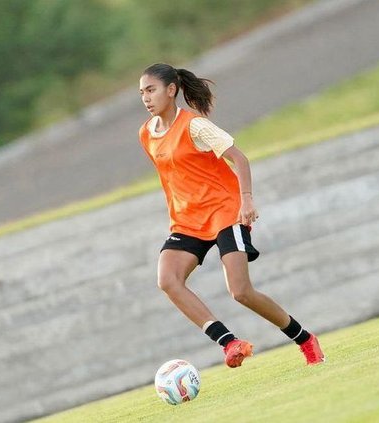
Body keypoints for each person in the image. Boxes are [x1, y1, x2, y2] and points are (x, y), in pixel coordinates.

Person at [138, 63, 325, 368]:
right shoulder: (146, 133)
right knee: (168, 280)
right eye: (142, 92)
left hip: (225, 211)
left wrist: (247, 200)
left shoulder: (194, 125)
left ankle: (304, 338)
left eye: (151, 90)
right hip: (188, 221)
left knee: (241, 292)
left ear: (171, 90)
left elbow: (239, 158)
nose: (145, 98)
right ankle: (230, 342)